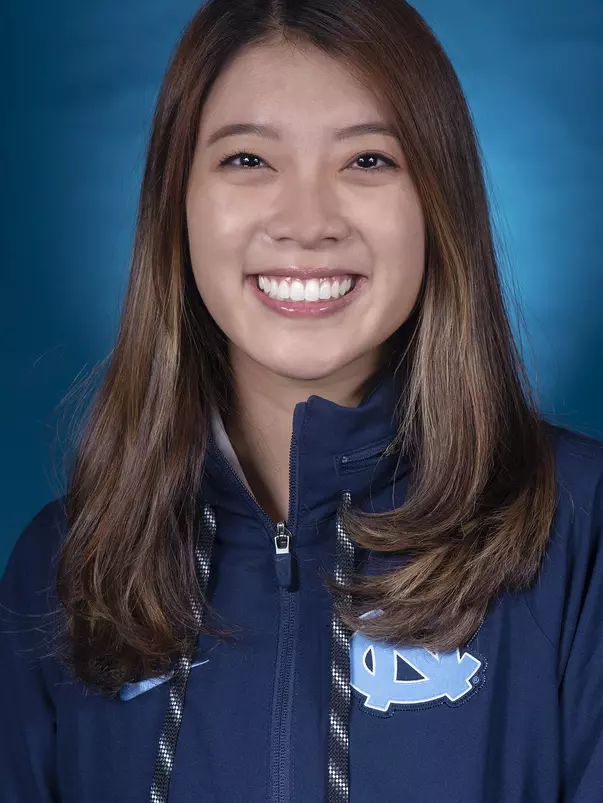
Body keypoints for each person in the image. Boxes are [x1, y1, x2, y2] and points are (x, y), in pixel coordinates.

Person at [1, 0, 602, 801]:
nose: (306, 222)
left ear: (437, 200)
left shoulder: (581, 529)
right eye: (248, 160)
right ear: (174, 204)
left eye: (367, 161)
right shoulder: (63, 564)